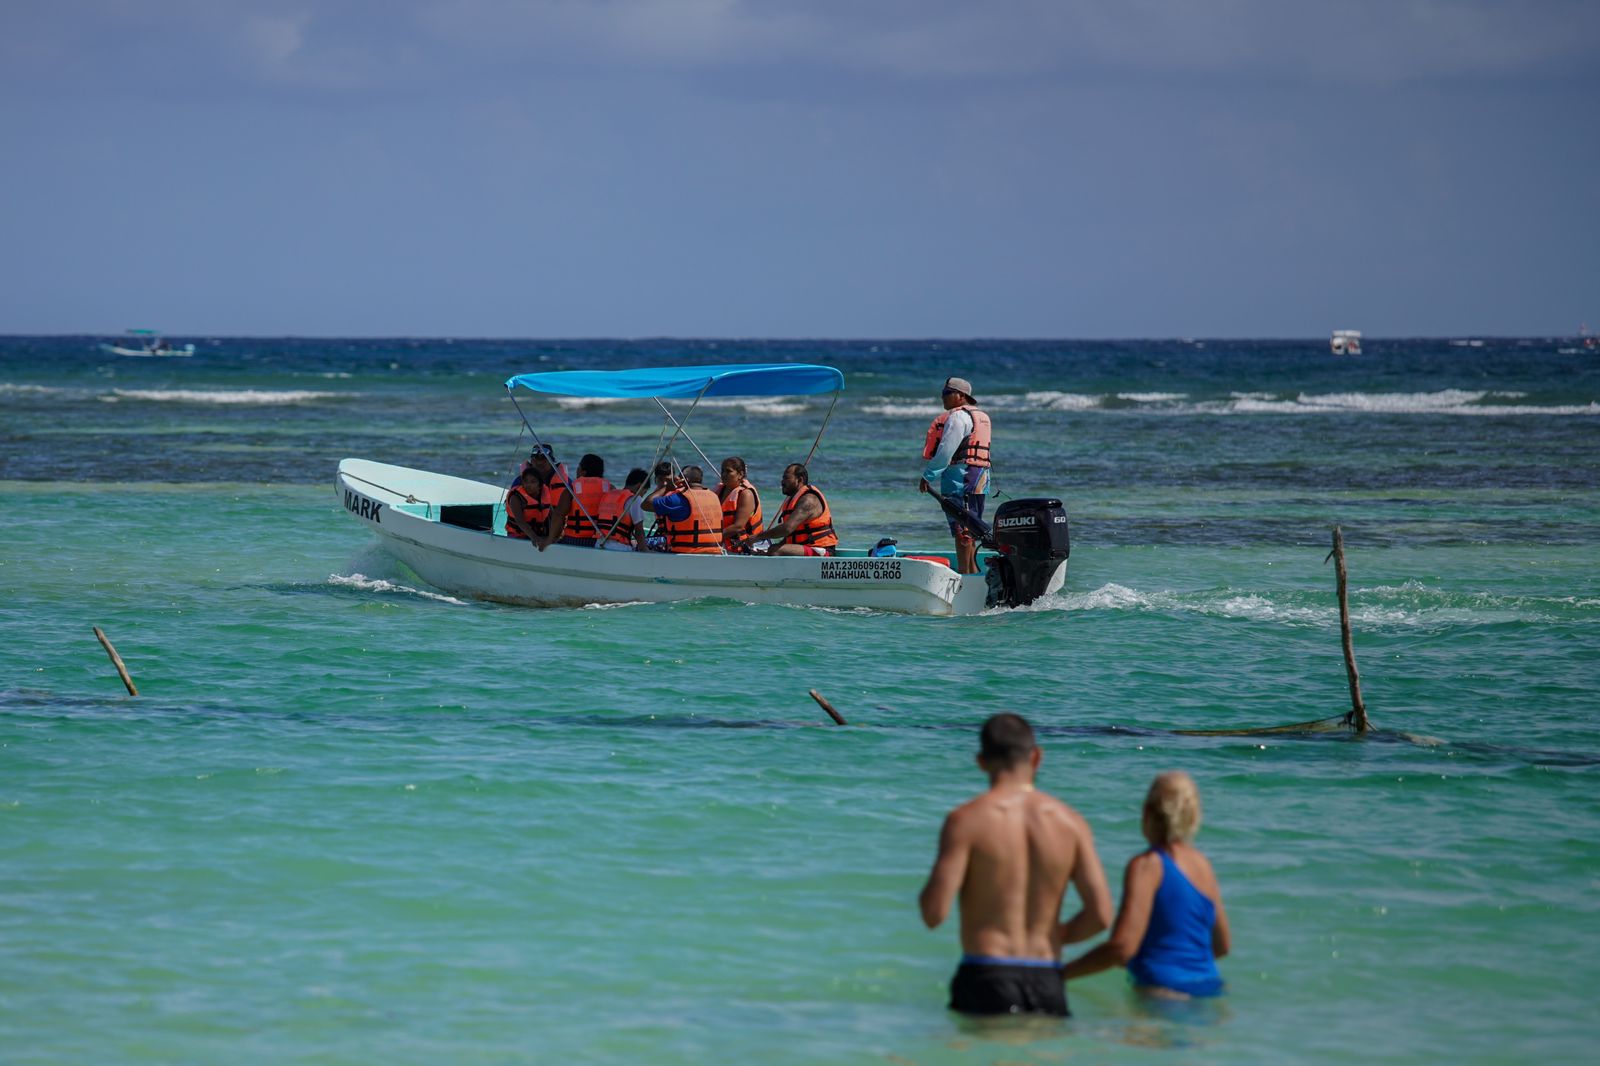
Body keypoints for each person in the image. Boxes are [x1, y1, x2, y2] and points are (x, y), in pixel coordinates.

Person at [919, 713, 1112, 1018]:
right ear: (1036, 757)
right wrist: (1053, 935)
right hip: (1047, 976)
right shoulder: (1071, 823)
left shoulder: (965, 821)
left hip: (987, 972)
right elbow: (1101, 915)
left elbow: (933, 914)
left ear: (981, 762)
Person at [1062, 772, 1230, 999]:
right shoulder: (1203, 866)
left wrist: (1058, 975)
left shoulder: (1147, 866)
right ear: (1193, 817)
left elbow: (1121, 948)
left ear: (1147, 813)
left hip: (1163, 992)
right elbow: (1221, 946)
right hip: (1210, 988)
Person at [919, 376, 991, 575]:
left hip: (961, 478)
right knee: (971, 527)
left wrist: (928, 476)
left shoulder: (958, 417)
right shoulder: (982, 416)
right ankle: (973, 573)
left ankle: (965, 577)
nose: (942, 397)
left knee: (962, 530)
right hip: (980, 478)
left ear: (961, 396)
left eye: (946, 393)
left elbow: (946, 450)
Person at [729, 463, 837, 557]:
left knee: (775, 550)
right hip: (804, 547)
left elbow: (787, 529)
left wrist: (757, 537)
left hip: (821, 550)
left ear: (800, 480)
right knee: (771, 549)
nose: (782, 482)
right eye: (782, 478)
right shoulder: (793, 499)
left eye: (786, 478)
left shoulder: (808, 500)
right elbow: (791, 536)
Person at [641, 465, 724, 554]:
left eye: (679, 478)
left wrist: (667, 488)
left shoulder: (679, 499)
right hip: (714, 550)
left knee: (639, 544)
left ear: (684, 480)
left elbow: (646, 504)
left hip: (687, 552)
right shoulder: (714, 497)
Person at [504, 447, 568, 544]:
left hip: (548, 532)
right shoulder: (517, 491)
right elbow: (519, 520)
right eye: (536, 460)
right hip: (521, 535)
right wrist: (535, 538)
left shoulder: (563, 482)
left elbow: (557, 515)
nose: (539, 463)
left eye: (543, 460)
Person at [549, 453, 615, 548]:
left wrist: (551, 539)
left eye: (578, 466)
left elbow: (559, 515)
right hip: (601, 541)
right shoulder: (610, 489)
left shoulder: (571, 489)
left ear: (583, 472)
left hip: (574, 540)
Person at [592, 467, 649, 551]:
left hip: (598, 544)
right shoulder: (635, 499)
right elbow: (639, 531)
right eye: (644, 492)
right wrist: (645, 550)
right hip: (619, 548)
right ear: (639, 486)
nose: (642, 496)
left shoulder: (608, 494)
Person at [716, 456, 763, 549]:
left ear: (740, 474)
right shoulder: (719, 491)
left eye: (728, 471)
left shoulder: (746, 494)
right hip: (722, 543)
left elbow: (738, 526)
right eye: (722, 471)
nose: (724, 474)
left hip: (744, 546)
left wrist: (711, 538)